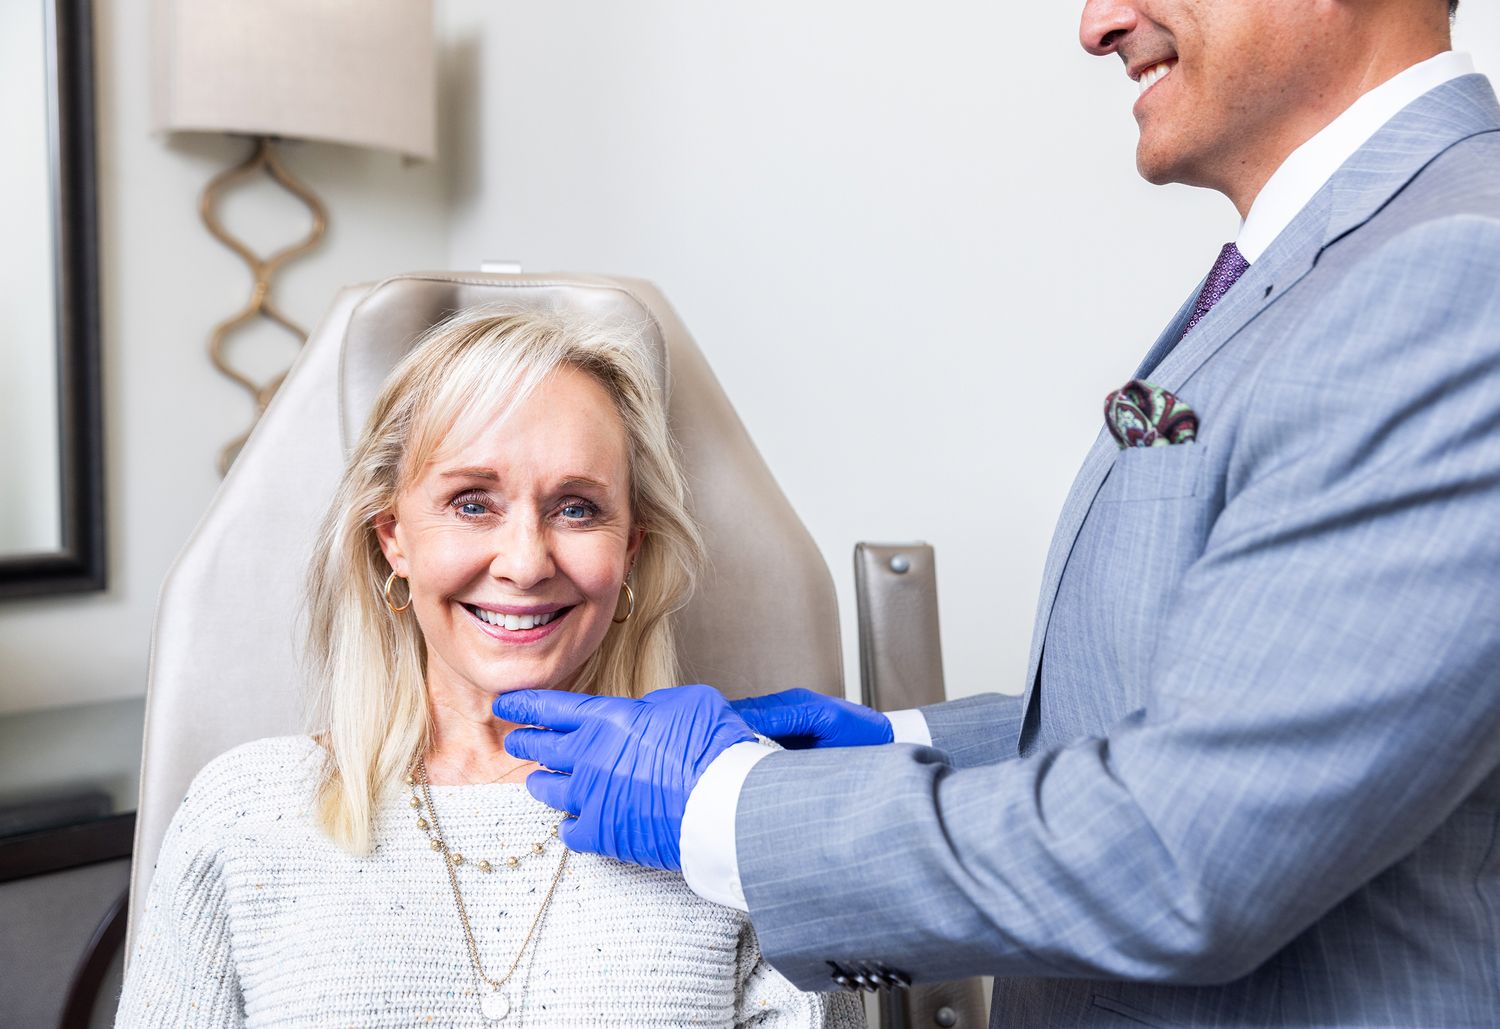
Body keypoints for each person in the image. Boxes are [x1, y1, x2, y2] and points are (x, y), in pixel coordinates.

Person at [493, 1, 1500, 1025]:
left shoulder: (1453, 273)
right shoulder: (1330, 256)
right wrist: (903, 744)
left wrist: (731, 811)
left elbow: (1183, 855)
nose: (1099, 23)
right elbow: (1237, 716)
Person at [116, 310, 864, 1027]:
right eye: (472, 503)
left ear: (630, 549)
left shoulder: (739, 817)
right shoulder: (244, 817)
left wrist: (758, 822)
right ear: (393, 540)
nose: (526, 563)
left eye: (576, 509)